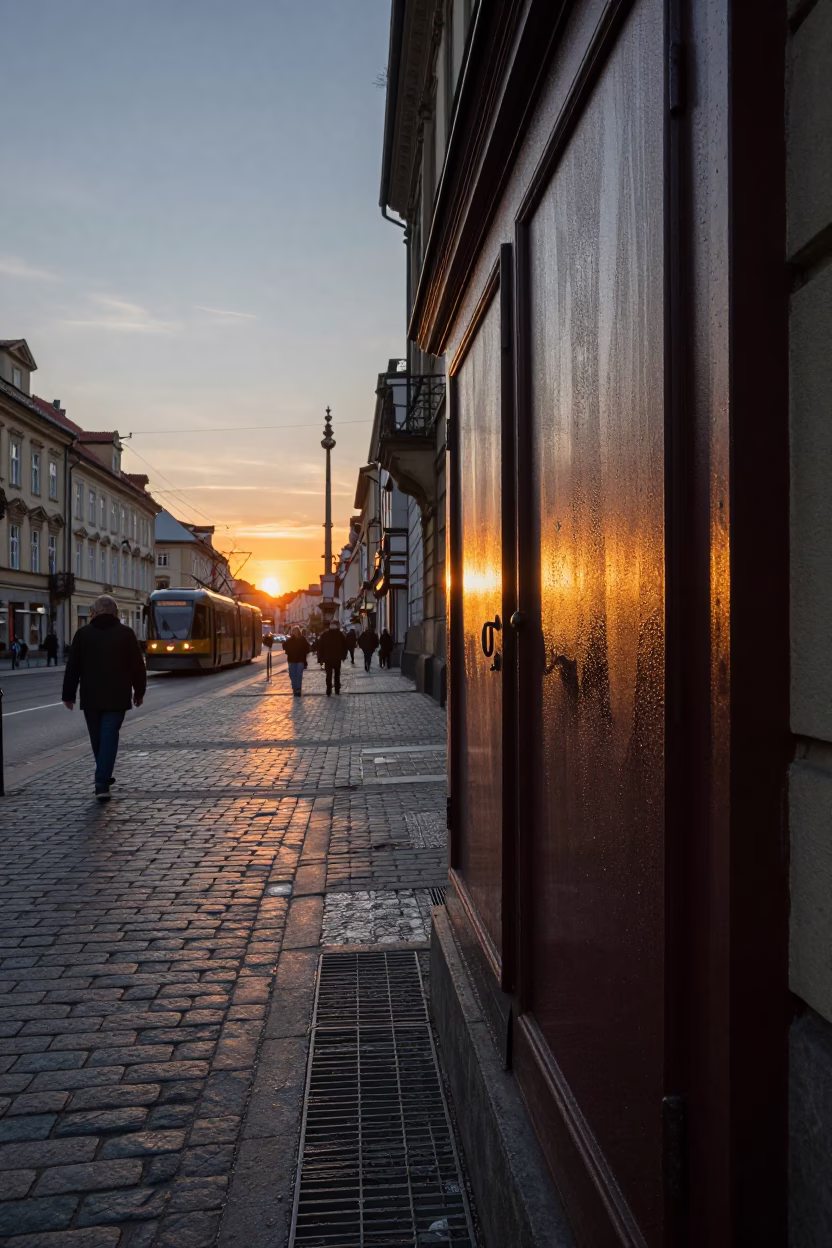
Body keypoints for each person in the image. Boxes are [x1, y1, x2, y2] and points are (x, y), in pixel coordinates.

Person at [62, 594, 146, 801]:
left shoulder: (83, 634)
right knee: (109, 737)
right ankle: (103, 780)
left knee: (98, 739)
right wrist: (139, 691)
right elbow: (138, 666)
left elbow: (73, 666)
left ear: (93, 612)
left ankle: (102, 780)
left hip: (91, 697)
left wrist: (69, 695)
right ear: (116, 613)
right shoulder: (126, 634)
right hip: (117, 696)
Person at [316, 621, 348, 696]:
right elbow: (345, 646)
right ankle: (337, 689)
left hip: (328, 659)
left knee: (328, 674)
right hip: (337, 658)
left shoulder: (325, 634)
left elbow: (320, 647)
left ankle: (329, 689)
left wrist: (320, 658)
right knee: (337, 674)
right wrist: (343, 656)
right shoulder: (340, 635)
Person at [282, 626, 310, 697]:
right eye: (293, 631)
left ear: (298, 632)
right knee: (292, 675)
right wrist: (285, 641)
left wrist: (304, 654)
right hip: (292, 660)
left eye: (295, 631)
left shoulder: (302, 639)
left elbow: (307, 648)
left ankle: (298, 689)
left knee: (298, 675)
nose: (294, 632)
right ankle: (294, 688)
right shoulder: (290, 639)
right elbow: (284, 647)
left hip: (300, 660)